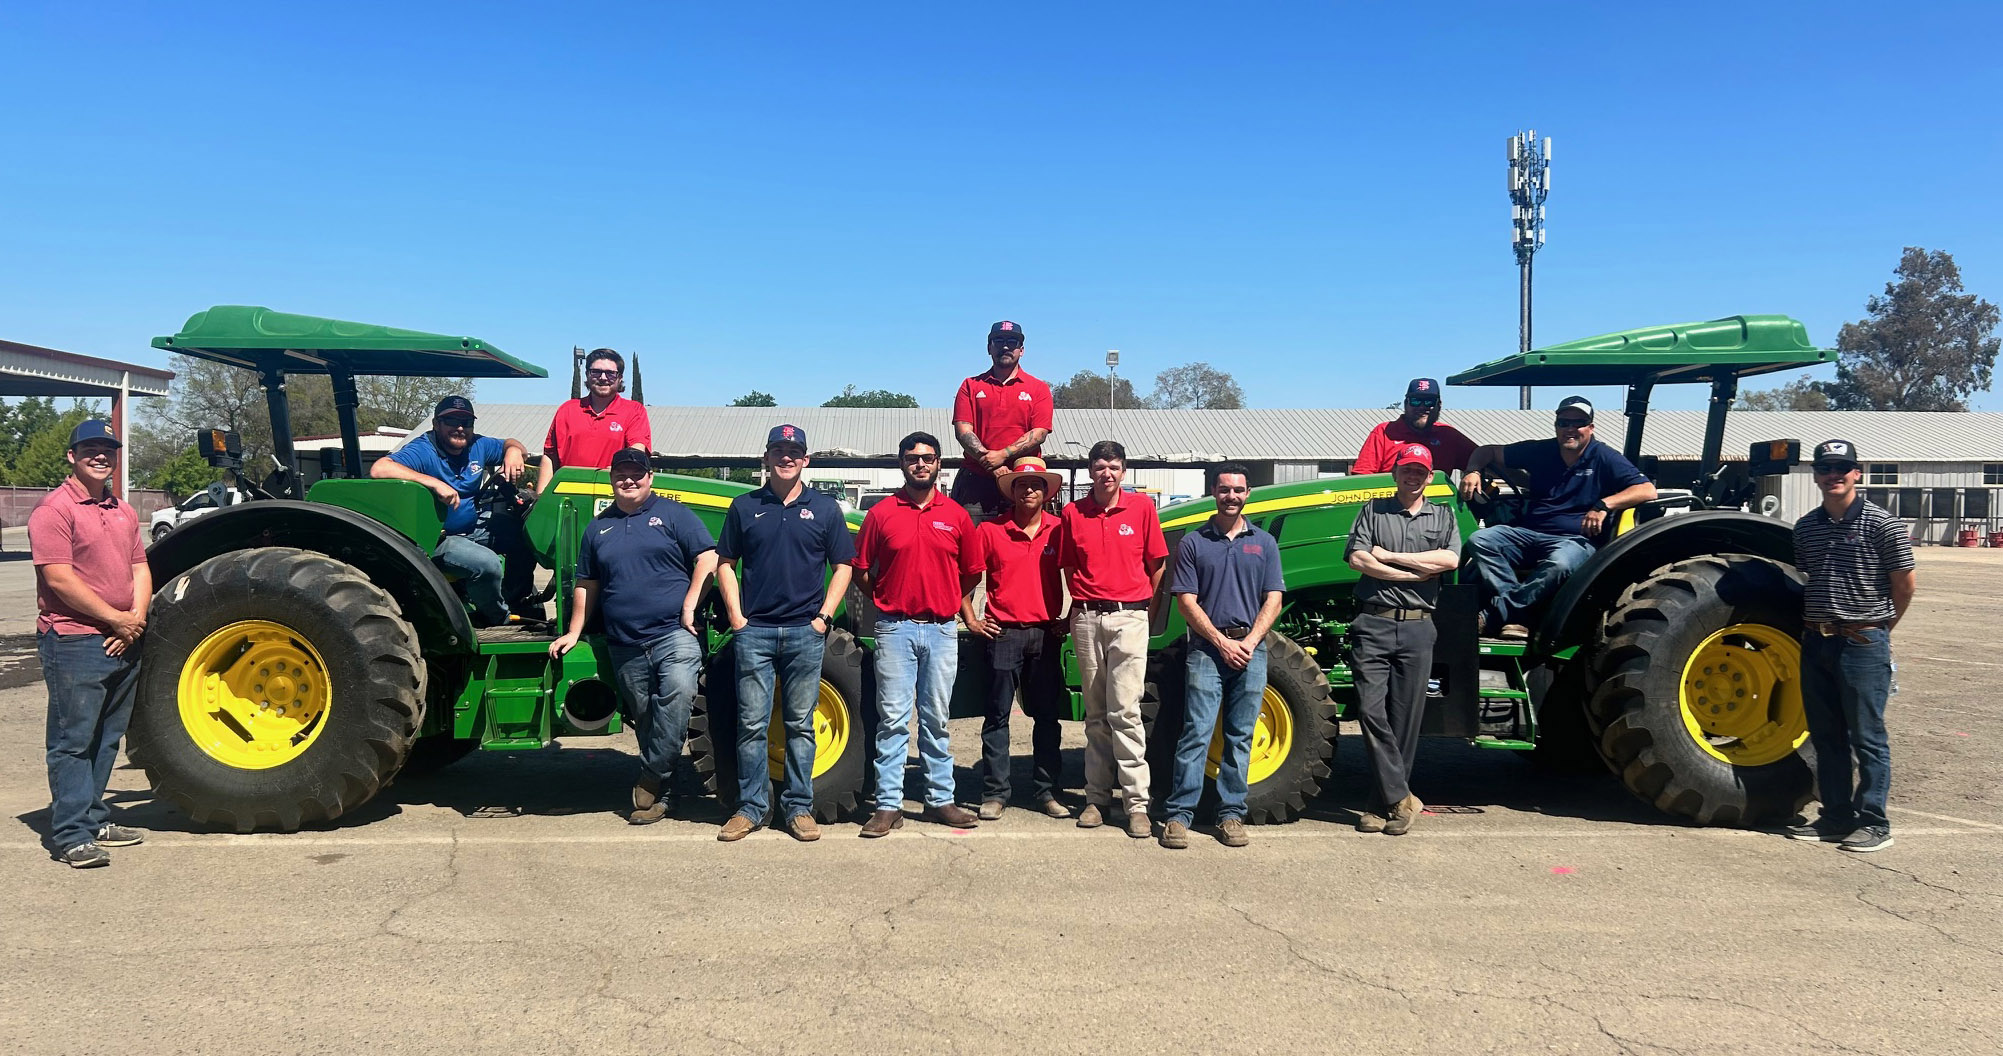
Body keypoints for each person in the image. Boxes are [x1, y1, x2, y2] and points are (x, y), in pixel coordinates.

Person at [550, 447, 717, 825]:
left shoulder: (674, 514)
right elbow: (586, 584)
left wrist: (690, 604)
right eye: (621, 474)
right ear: (611, 480)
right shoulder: (598, 528)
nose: (629, 480)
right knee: (645, 718)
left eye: (636, 473)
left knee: (676, 695)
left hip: (673, 634)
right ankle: (665, 794)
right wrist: (574, 631)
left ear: (650, 477)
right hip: (624, 643)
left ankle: (652, 775)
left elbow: (708, 558)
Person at [714, 424, 855, 842]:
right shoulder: (744, 507)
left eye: (794, 451)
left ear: (806, 460)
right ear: (767, 458)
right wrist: (737, 618)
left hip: (804, 633)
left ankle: (798, 807)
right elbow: (725, 562)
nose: (786, 458)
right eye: (778, 450)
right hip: (755, 632)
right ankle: (752, 808)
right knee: (751, 725)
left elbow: (844, 564)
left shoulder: (826, 509)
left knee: (800, 725)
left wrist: (824, 618)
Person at [1787, 439, 1916, 854]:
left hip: (1863, 642)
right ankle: (1836, 816)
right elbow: (1808, 576)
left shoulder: (1883, 524)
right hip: (1817, 642)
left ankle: (1875, 822)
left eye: (1843, 467)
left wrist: (1879, 629)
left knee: (1868, 736)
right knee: (1826, 736)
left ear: (1857, 473)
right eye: (1826, 468)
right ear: (1816, 476)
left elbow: (1904, 586)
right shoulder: (1806, 527)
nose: (1833, 475)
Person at [31, 420, 150, 868]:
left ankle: (95, 816)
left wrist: (135, 619)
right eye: (90, 450)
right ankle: (70, 833)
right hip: (75, 640)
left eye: (107, 450)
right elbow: (58, 579)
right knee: (72, 741)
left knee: (106, 739)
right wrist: (116, 619)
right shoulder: (54, 510)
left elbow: (140, 566)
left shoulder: (122, 509)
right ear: (72, 456)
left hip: (122, 638)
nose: (100, 456)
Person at [855, 431, 983, 836]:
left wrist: (951, 601)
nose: (920, 464)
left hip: (943, 629)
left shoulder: (957, 515)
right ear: (901, 464)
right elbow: (861, 569)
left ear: (939, 464)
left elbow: (972, 571)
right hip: (895, 629)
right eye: (912, 458)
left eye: (928, 458)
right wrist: (884, 597)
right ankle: (888, 805)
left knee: (936, 719)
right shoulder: (882, 514)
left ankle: (939, 800)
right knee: (892, 719)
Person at [1160, 462, 1285, 850]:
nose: (1232, 496)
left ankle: (1231, 815)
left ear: (1249, 494)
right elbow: (1185, 601)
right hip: (1205, 651)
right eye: (1225, 489)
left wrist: (1248, 642)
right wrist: (1220, 642)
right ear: (1214, 492)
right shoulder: (1194, 543)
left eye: (1239, 490)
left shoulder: (1264, 543)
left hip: (1251, 650)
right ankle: (1179, 816)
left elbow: (1274, 598)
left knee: (1240, 736)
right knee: (1196, 732)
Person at [1458, 395, 1656, 638]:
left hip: (1575, 540)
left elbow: (1647, 490)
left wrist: (1604, 504)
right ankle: (1517, 615)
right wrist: (1473, 471)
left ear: (1590, 427)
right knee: (1481, 540)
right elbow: (1485, 451)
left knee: (1560, 563)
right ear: (1556, 426)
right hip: (1529, 534)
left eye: (1578, 423)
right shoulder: (1541, 450)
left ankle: (1497, 615)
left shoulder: (1604, 456)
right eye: (1564, 423)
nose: (1570, 428)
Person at [1345, 443, 1462, 836]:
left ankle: (1382, 805)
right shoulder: (1373, 510)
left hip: (1417, 626)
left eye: (1420, 471)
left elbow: (1449, 560)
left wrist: (1390, 557)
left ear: (1429, 477)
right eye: (1405, 470)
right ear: (1395, 474)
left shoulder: (1442, 515)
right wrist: (1412, 575)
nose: (1412, 476)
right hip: (1374, 622)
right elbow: (1359, 558)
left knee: (1405, 721)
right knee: (1370, 711)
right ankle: (1403, 798)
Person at [1059, 439, 1169, 838]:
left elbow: (1157, 569)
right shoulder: (1073, 513)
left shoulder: (1142, 509)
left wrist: (1143, 616)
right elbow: (1069, 568)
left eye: (1115, 466)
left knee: (1126, 711)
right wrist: (1084, 610)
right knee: (1095, 714)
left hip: (1130, 616)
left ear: (1124, 472)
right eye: (1100, 466)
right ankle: (1096, 798)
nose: (1107, 472)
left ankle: (1136, 804)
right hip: (1087, 617)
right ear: (1090, 471)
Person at [966, 455, 1072, 821]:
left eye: (1036, 485)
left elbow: (1082, 574)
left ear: (1046, 492)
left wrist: (1071, 619)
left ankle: (1046, 792)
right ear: (1012, 491)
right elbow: (965, 577)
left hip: (1046, 633)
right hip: (1003, 634)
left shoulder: (1060, 530)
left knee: (1047, 717)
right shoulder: (990, 531)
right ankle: (995, 793)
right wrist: (971, 619)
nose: (1029, 490)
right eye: (1022, 485)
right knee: (996, 716)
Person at [372, 396, 533, 626]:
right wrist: (433, 482)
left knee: (529, 538)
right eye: (451, 421)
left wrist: (514, 452)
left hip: (474, 529)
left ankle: (515, 600)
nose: (459, 428)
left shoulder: (478, 445)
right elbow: (380, 468)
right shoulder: (423, 450)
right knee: (487, 564)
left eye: (466, 423)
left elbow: (512, 444)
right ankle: (497, 619)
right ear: (436, 424)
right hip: (438, 538)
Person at [951, 320, 1054, 519]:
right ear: (989, 348)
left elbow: (1039, 433)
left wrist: (1004, 454)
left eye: (1012, 342)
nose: (1005, 346)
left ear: (1021, 350)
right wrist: (994, 464)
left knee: (1022, 544)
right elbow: (963, 431)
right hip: (976, 481)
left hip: (1024, 480)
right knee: (972, 544)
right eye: (998, 341)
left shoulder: (1039, 388)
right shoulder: (970, 385)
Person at [536, 347, 652, 493]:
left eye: (610, 373)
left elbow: (636, 451)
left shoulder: (635, 411)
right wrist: (541, 497)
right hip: (567, 494)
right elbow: (550, 456)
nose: (603, 378)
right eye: (596, 372)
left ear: (620, 378)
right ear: (587, 374)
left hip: (611, 494)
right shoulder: (567, 410)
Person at [1351, 378, 1478, 476]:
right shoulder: (1384, 432)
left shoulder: (1448, 434)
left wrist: (1474, 472)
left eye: (1429, 402)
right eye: (1416, 401)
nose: (1422, 407)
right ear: (1406, 403)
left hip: (1439, 508)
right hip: (1389, 508)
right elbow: (1361, 477)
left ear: (1439, 405)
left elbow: (1483, 458)